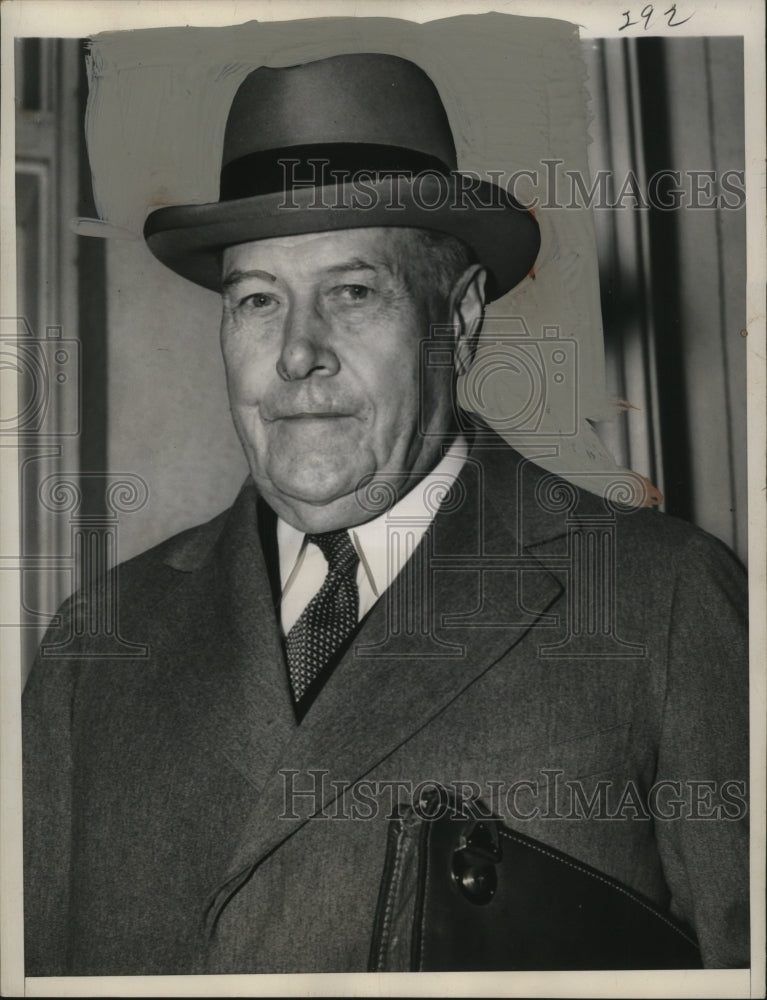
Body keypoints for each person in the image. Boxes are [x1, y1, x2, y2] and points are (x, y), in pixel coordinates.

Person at [22, 52, 749, 976]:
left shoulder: (666, 603)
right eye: (256, 301)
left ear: (460, 315)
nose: (296, 356)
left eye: (352, 292)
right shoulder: (97, 640)